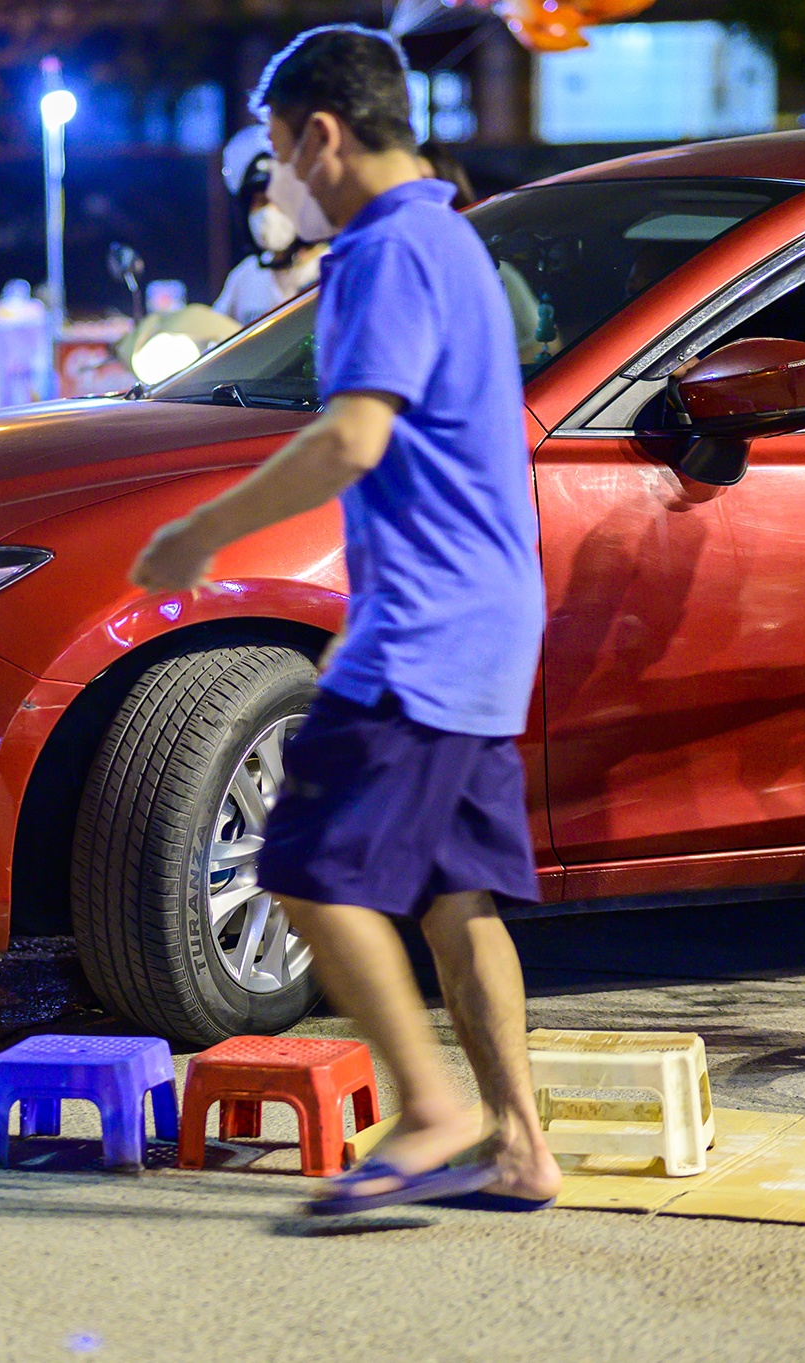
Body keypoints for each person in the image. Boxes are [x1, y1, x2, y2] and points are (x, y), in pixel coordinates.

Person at [131, 24, 559, 1216]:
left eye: (277, 155)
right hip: (474, 616)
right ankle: (520, 1146)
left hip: (426, 627)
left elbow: (350, 438)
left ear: (321, 135)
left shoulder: (379, 252)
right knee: (453, 896)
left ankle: (426, 1108)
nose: (279, 182)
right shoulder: (453, 236)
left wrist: (198, 536)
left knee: (306, 866)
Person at [212, 123, 333, 327]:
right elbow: (213, 334)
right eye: (261, 201)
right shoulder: (246, 277)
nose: (269, 212)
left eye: (281, 200)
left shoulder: (332, 271)